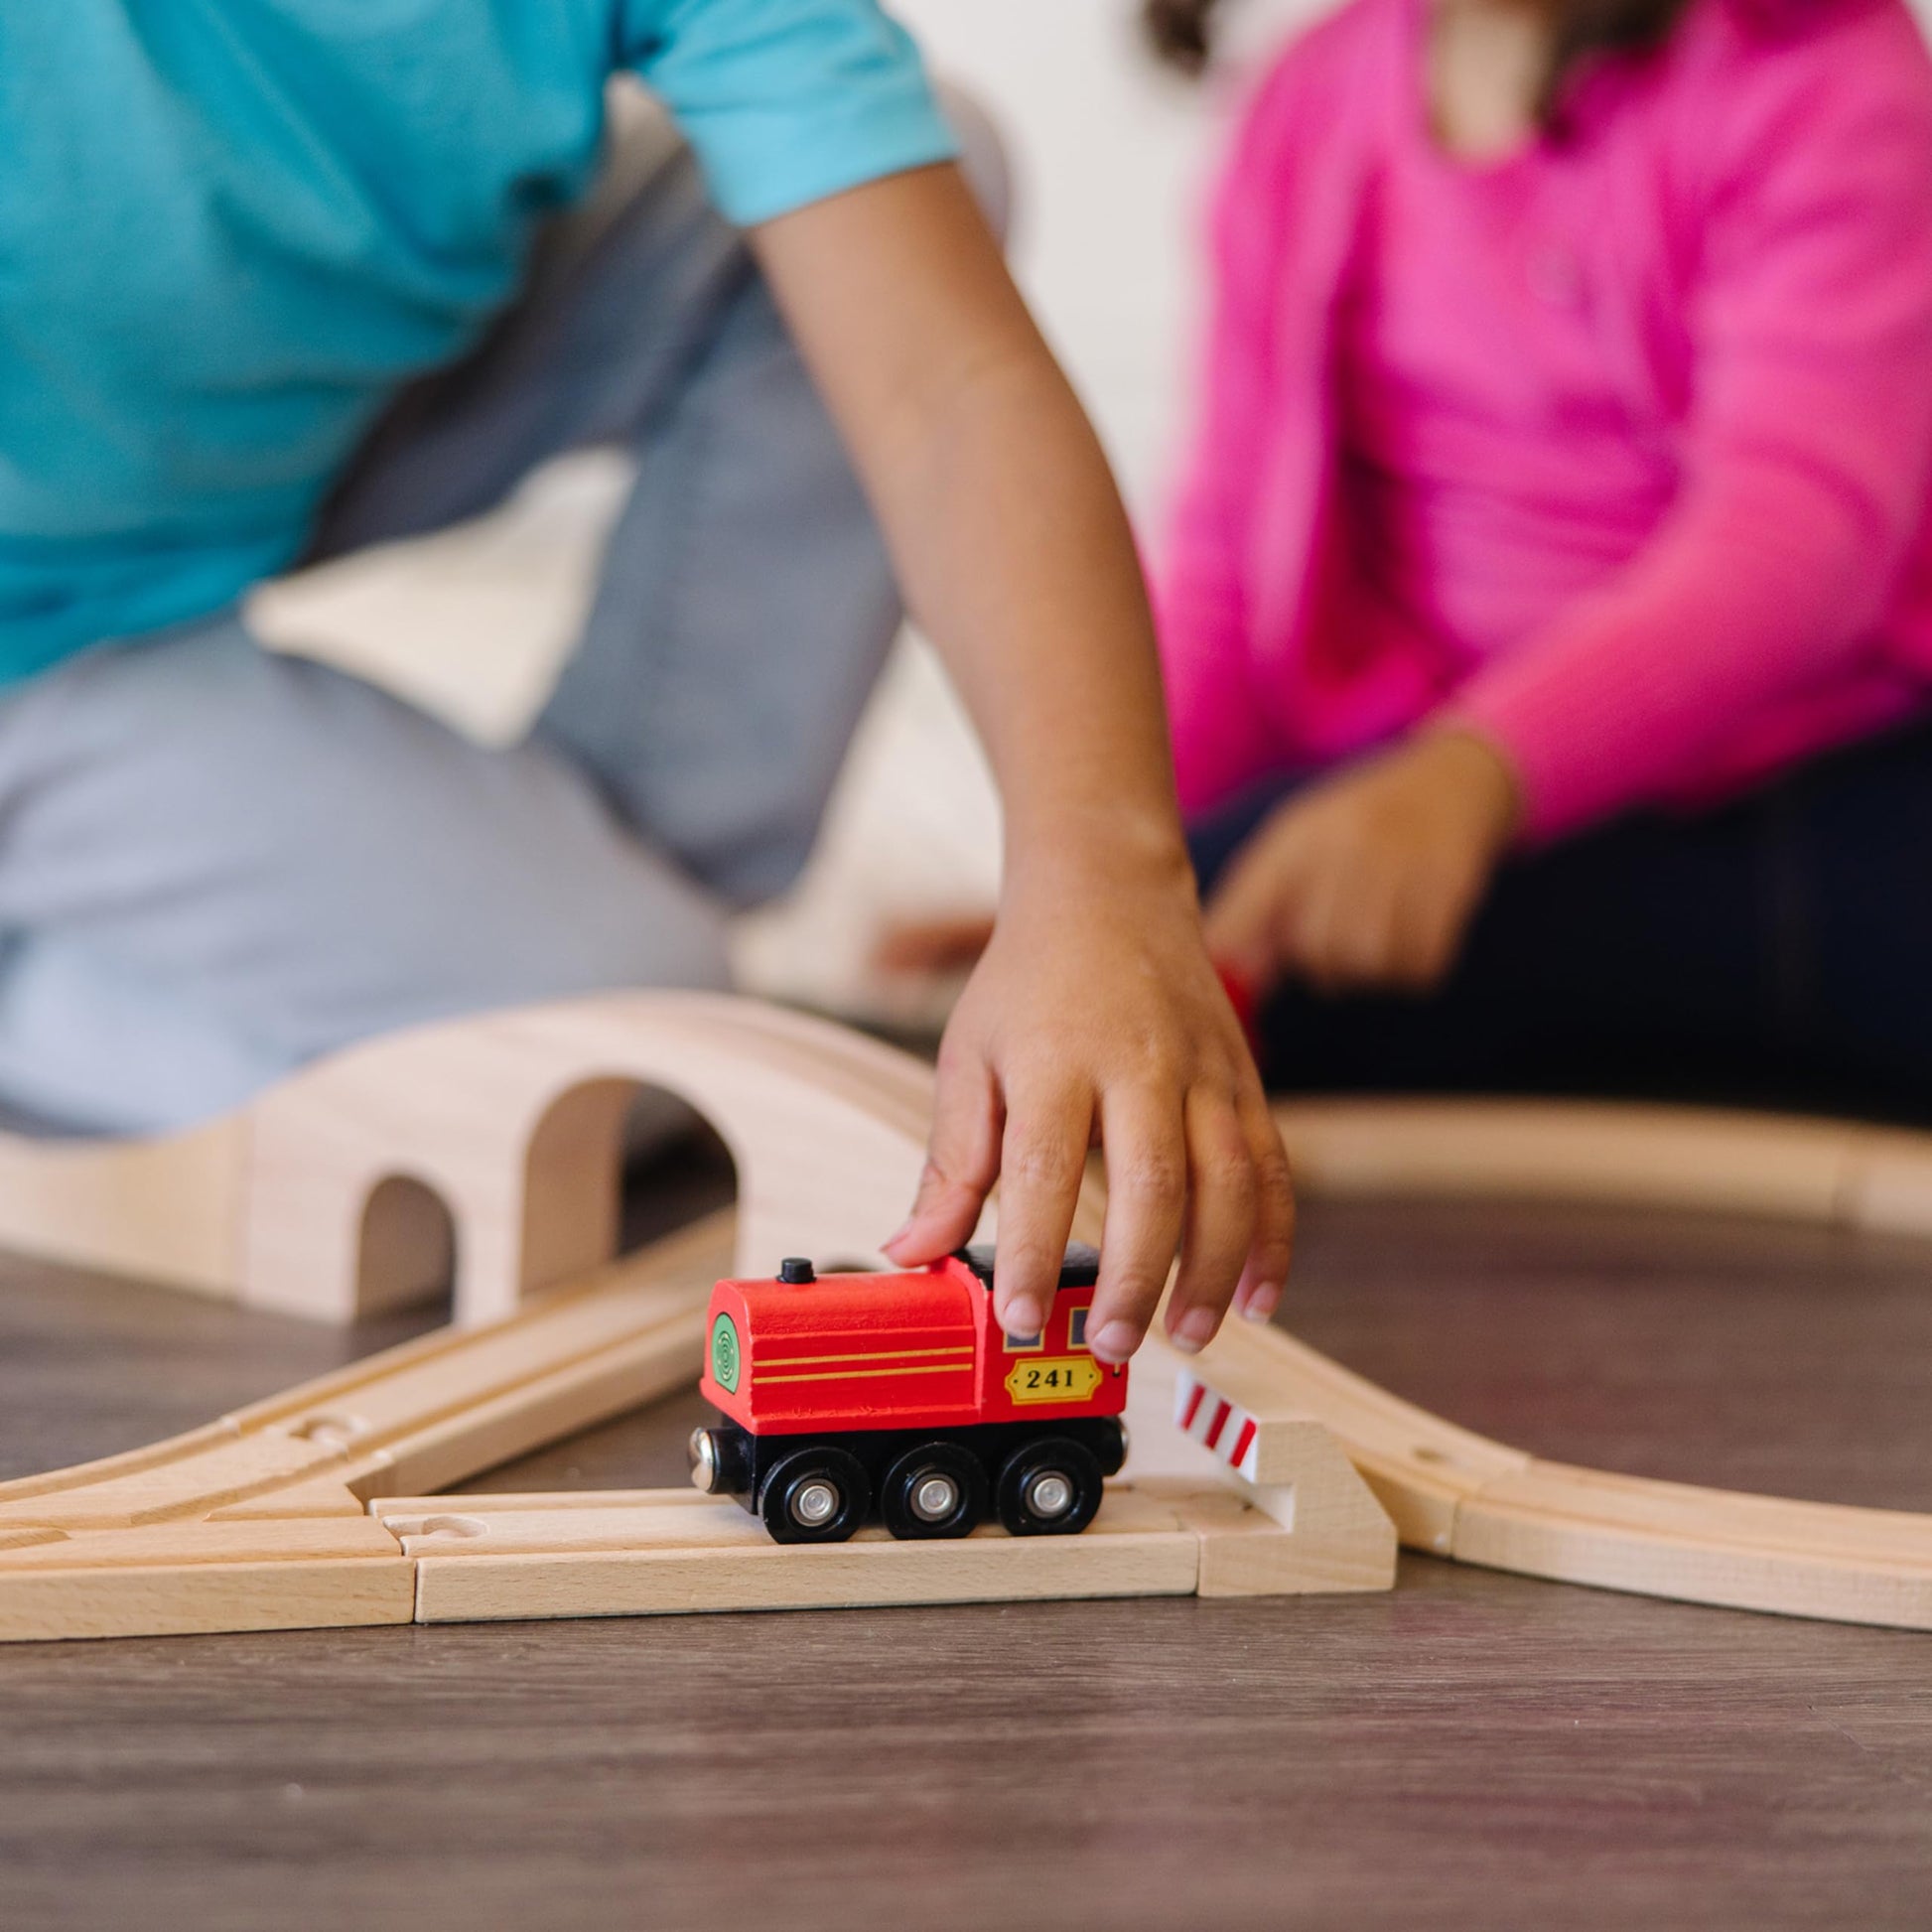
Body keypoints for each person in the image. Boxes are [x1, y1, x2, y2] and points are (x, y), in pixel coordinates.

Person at [0, 3, 1293, 1357]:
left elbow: (948, 387)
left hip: (265, 421)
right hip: (46, 622)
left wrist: (1099, 871)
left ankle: (615, 903)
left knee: (933, 177)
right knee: (615, 1034)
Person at [1150, 0, 1932, 1118]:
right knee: (1177, 946)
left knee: (1265, 983)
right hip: (1433, 778)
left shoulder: (1817, 71)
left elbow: (1795, 539)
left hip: (1807, 782)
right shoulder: (1307, 102)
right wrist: (1116, 877)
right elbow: (1224, 566)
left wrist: (1467, 779)